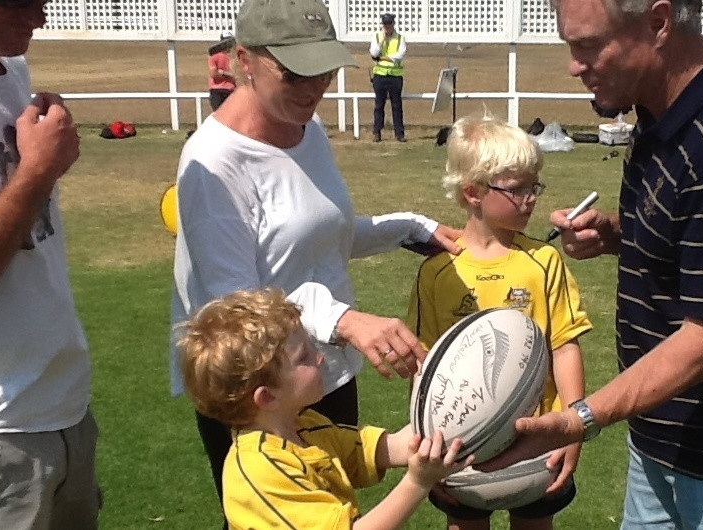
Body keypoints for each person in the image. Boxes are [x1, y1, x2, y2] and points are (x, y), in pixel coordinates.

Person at [481, 1, 703, 529]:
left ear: (659, 24)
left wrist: (581, 418)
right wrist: (619, 233)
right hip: (661, 438)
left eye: (587, 45)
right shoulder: (662, 111)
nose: (574, 65)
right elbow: (695, 234)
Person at [169, 0, 461, 525]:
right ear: (244, 60)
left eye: (323, 69)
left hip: (320, 371)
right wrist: (345, 320)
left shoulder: (306, 127)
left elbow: (321, 236)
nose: (314, 86)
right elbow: (232, 309)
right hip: (259, 392)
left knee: (337, 508)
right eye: (295, 71)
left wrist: (415, 227)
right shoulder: (212, 164)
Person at [407, 114, 593, 530]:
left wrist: (571, 427)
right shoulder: (438, 272)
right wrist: (425, 446)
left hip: (537, 435)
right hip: (461, 440)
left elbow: (564, 346)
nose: (530, 199)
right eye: (516, 189)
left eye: (534, 187)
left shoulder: (543, 262)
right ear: (472, 192)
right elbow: (426, 367)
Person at [179, 288, 473, 529]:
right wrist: (418, 481)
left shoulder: (304, 424)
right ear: (267, 397)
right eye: (304, 356)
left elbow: (367, 451)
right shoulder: (260, 470)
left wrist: (445, 413)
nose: (319, 358)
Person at [0, 0, 99, 527]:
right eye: (18, 1)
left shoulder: (13, 73)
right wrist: (39, 171)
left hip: (63, 407)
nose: (39, 18)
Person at [369, 12, 407, 142]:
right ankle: (377, 132)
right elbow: (374, 53)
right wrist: (383, 41)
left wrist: (384, 57)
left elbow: (400, 55)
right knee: (379, 105)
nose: (387, 27)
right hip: (380, 75)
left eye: (389, 24)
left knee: (397, 105)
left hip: (395, 76)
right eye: (385, 24)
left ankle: (399, 133)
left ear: (393, 24)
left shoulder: (400, 38)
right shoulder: (377, 37)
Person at [208, 30, 236, 111]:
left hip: (231, 90)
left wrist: (223, 73)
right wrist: (231, 75)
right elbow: (213, 74)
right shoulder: (215, 56)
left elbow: (238, 75)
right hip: (217, 91)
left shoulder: (235, 56)